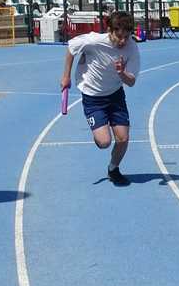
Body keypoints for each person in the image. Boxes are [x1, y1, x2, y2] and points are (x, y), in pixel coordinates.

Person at [60, 12, 141, 186]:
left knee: (123, 139)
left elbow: (132, 81)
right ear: (109, 30)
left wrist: (122, 73)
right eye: (119, 36)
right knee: (104, 142)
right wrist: (66, 76)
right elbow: (71, 48)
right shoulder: (93, 40)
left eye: (126, 37)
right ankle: (99, 130)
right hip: (93, 97)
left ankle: (113, 169)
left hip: (115, 95)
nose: (123, 41)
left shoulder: (132, 48)